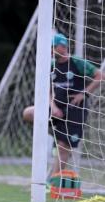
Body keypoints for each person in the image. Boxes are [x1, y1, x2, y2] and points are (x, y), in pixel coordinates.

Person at [23, 33, 103, 175]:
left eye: (53, 47)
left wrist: (84, 93)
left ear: (63, 47)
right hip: (57, 108)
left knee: (63, 146)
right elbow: (47, 90)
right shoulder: (51, 65)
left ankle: (53, 181)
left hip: (75, 110)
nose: (51, 50)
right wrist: (53, 107)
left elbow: (100, 76)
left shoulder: (77, 63)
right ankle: (57, 132)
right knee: (29, 113)